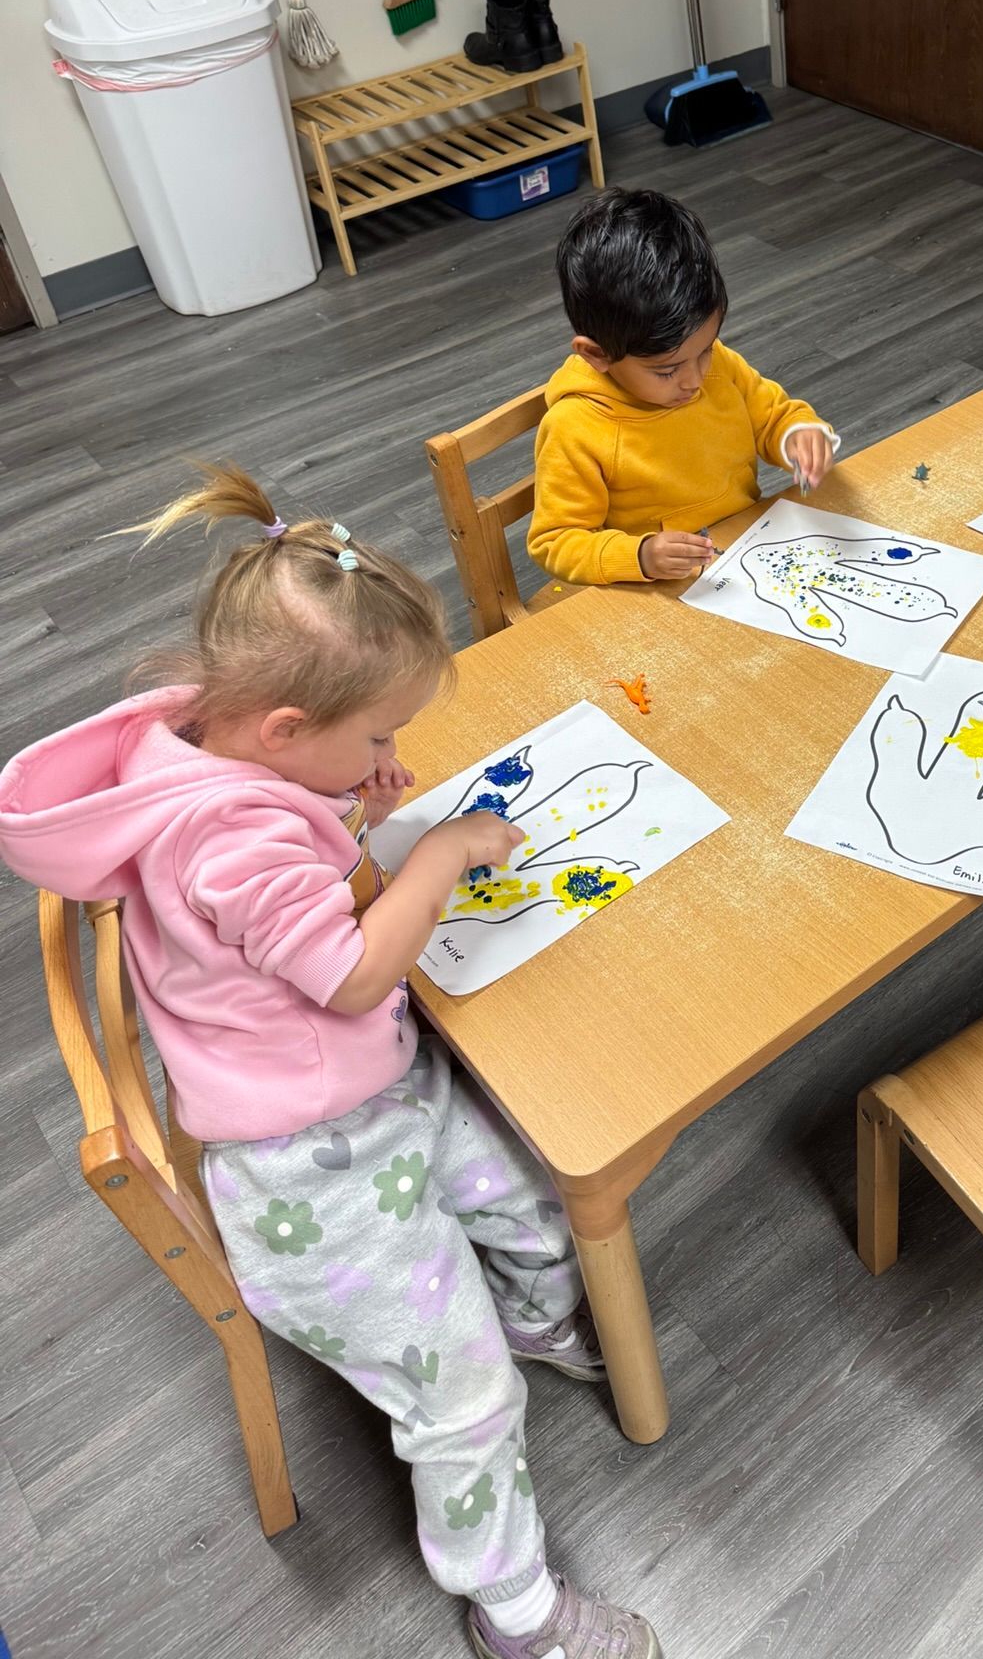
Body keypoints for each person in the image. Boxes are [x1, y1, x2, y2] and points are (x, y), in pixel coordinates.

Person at [0, 465, 660, 1659]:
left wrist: (350, 802)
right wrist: (438, 853)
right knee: (467, 1404)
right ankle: (518, 1611)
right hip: (306, 1168)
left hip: (368, 1087)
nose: (391, 751)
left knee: (540, 1198)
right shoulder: (232, 833)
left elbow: (284, 892)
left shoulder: (214, 745)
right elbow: (349, 972)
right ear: (285, 729)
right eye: (379, 734)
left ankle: (532, 1315)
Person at [529, 187, 839, 584]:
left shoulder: (718, 366)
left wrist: (800, 436)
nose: (694, 380)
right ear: (597, 355)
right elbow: (556, 541)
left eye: (705, 350)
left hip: (744, 551)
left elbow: (774, 417)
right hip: (657, 585)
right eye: (666, 371)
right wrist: (639, 556)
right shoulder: (574, 428)